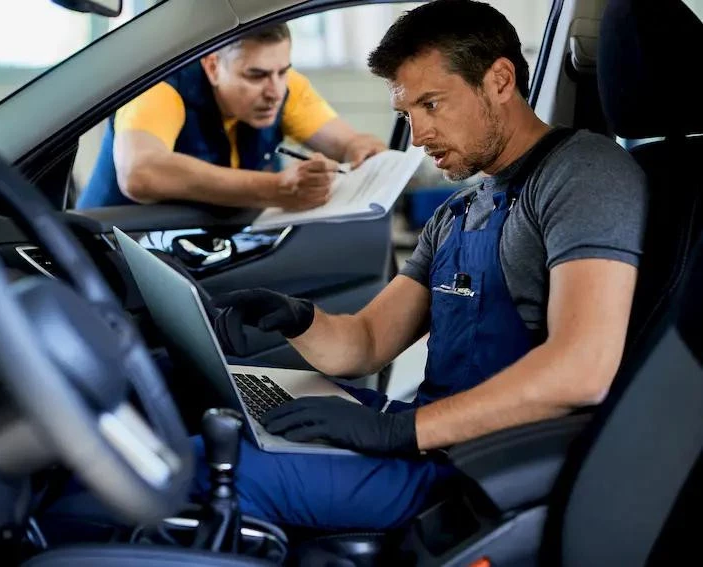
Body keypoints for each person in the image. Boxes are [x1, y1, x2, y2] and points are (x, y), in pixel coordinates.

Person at [197, 0, 648, 530]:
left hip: (485, 469)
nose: (418, 135)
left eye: (431, 104)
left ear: (500, 81)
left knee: (206, 470)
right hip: (430, 439)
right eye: (408, 113)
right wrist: (295, 317)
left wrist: (396, 432)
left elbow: (582, 368)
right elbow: (365, 343)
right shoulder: (458, 211)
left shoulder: (582, 173)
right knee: (222, 422)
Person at [76, 23, 386, 210]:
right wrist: (277, 188)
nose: (275, 92)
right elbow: (141, 173)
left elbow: (349, 144)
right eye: (256, 75)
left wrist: (360, 149)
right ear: (212, 67)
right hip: (107, 257)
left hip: (195, 250)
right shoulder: (161, 88)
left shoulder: (284, 86)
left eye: (283, 72)